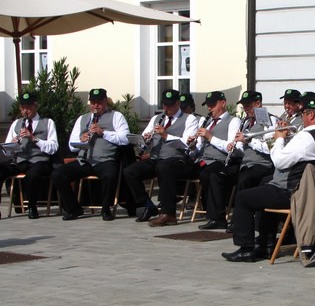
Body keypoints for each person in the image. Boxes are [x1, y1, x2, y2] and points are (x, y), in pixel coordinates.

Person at [221, 97, 315, 262]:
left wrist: (279, 138)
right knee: (264, 186)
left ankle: (246, 248)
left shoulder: (306, 138)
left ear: (311, 116)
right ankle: (266, 243)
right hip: (313, 192)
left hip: (293, 191)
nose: (301, 117)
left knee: (243, 197)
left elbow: (279, 161)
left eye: (303, 113)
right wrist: (288, 136)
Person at [123, 89, 200, 226]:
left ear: (177, 103)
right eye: (164, 105)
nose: (166, 108)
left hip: (178, 159)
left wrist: (166, 135)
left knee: (164, 167)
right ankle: (148, 205)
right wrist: (145, 141)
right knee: (130, 171)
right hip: (156, 158)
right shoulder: (156, 119)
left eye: (169, 105)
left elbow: (187, 145)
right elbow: (143, 145)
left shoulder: (189, 119)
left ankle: (169, 213)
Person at [51, 89, 130, 221]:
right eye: (93, 102)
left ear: (105, 102)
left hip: (105, 160)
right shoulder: (83, 119)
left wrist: (103, 132)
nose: (96, 106)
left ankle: (106, 209)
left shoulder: (116, 116)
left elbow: (125, 138)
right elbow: (71, 145)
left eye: (99, 102)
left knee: (110, 175)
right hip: (85, 160)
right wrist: (81, 139)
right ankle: (73, 208)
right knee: (58, 174)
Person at [203, 90, 276, 230]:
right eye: (244, 106)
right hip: (245, 163)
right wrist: (235, 147)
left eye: (248, 106)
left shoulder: (269, 120)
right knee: (216, 175)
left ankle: (239, 222)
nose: (246, 109)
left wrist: (249, 140)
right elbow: (243, 149)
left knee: (245, 179)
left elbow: (270, 147)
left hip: (262, 164)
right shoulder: (246, 121)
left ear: (258, 103)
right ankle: (217, 217)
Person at [0, 92, 58, 221]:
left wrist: (34, 138)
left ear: (36, 106)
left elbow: (53, 147)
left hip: (39, 160)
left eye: (28, 107)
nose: (26, 111)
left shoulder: (48, 122)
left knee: (33, 174)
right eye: (23, 107)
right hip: (20, 160)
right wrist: (12, 145)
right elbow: (6, 151)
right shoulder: (17, 123)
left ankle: (32, 206)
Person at [193, 91, 242, 229]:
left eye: (213, 105)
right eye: (208, 105)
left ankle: (217, 217)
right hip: (203, 159)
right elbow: (199, 147)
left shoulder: (233, 121)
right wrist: (193, 144)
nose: (210, 108)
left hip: (222, 161)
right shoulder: (206, 121)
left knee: (210, 175)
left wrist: (210, 137)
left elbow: (231, 148)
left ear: (223, 103)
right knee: (171, 167)